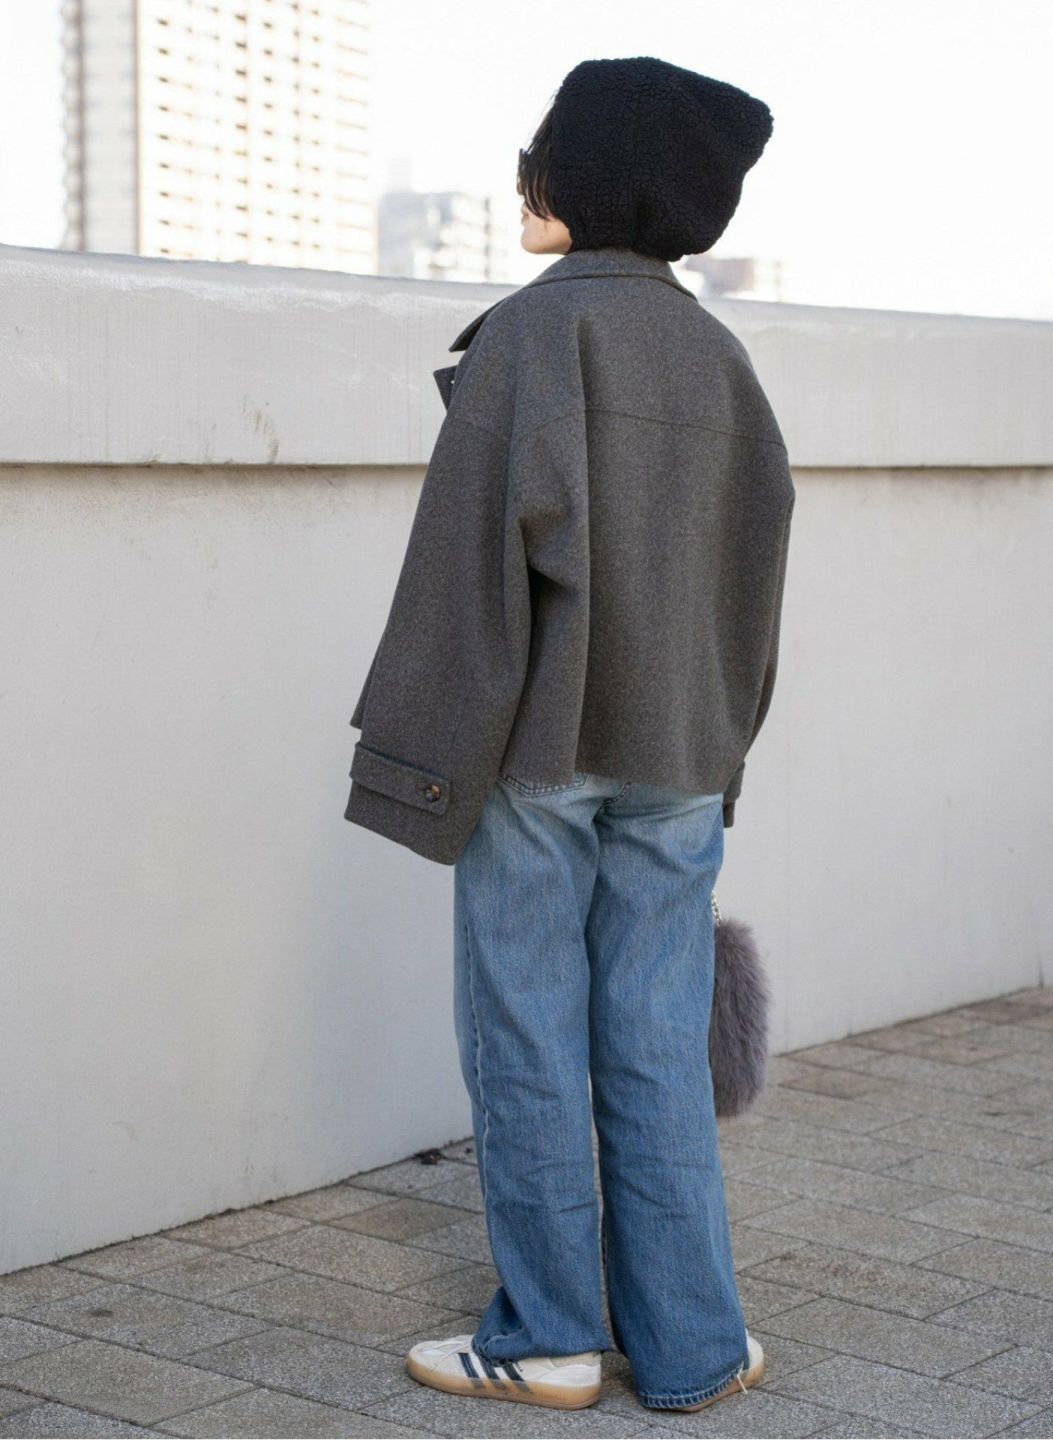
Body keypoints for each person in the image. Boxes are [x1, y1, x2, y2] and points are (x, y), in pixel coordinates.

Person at [345, 56, 794, 1413]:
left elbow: (465, 578)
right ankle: (693, 1343)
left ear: (596, 177)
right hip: (681, 754)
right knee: (657, 1041)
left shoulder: (533, 338)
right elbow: (754, 580)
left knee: (528, 1035)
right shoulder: (722, 361)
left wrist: (421, 764)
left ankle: (547, 1335)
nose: (522, 184)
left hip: (538, 753)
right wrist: (722, 747)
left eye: (542, 159)